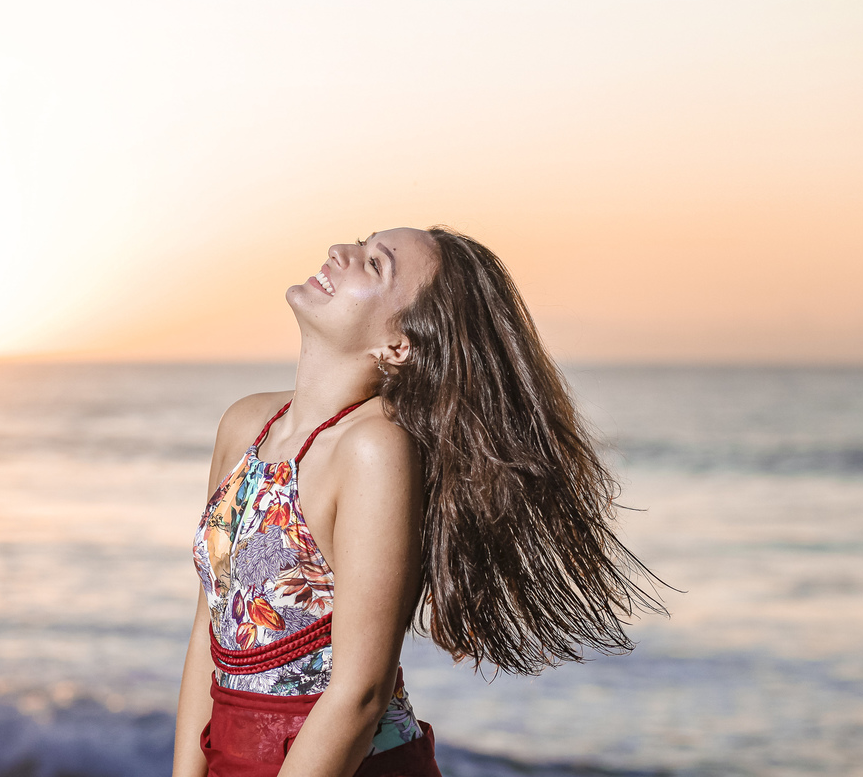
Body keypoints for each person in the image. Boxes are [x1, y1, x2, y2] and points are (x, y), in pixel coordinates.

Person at [173, 227, 665, 777]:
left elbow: (360, 693)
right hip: (233, 753)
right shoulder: (245, 422)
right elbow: (208, 629)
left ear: (398, 345)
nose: (341, 251)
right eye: (362, 243)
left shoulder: (375, 448)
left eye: (375, 265)